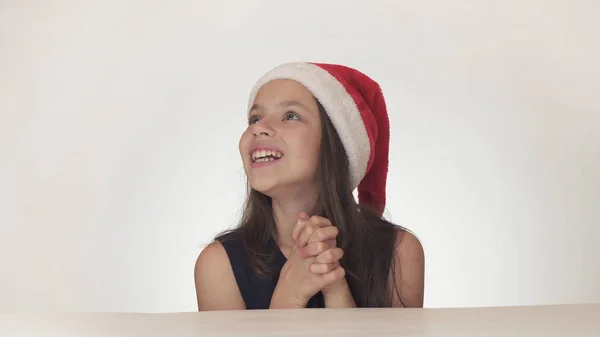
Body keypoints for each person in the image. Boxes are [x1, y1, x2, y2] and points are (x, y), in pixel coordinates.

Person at [194, 62, 425, 310]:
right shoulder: (218, 266)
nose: (258, 127)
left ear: (337, 144)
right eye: (254, 117)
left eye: (290, 116)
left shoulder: (399, 253)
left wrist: (336, 290)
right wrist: (289, 296)